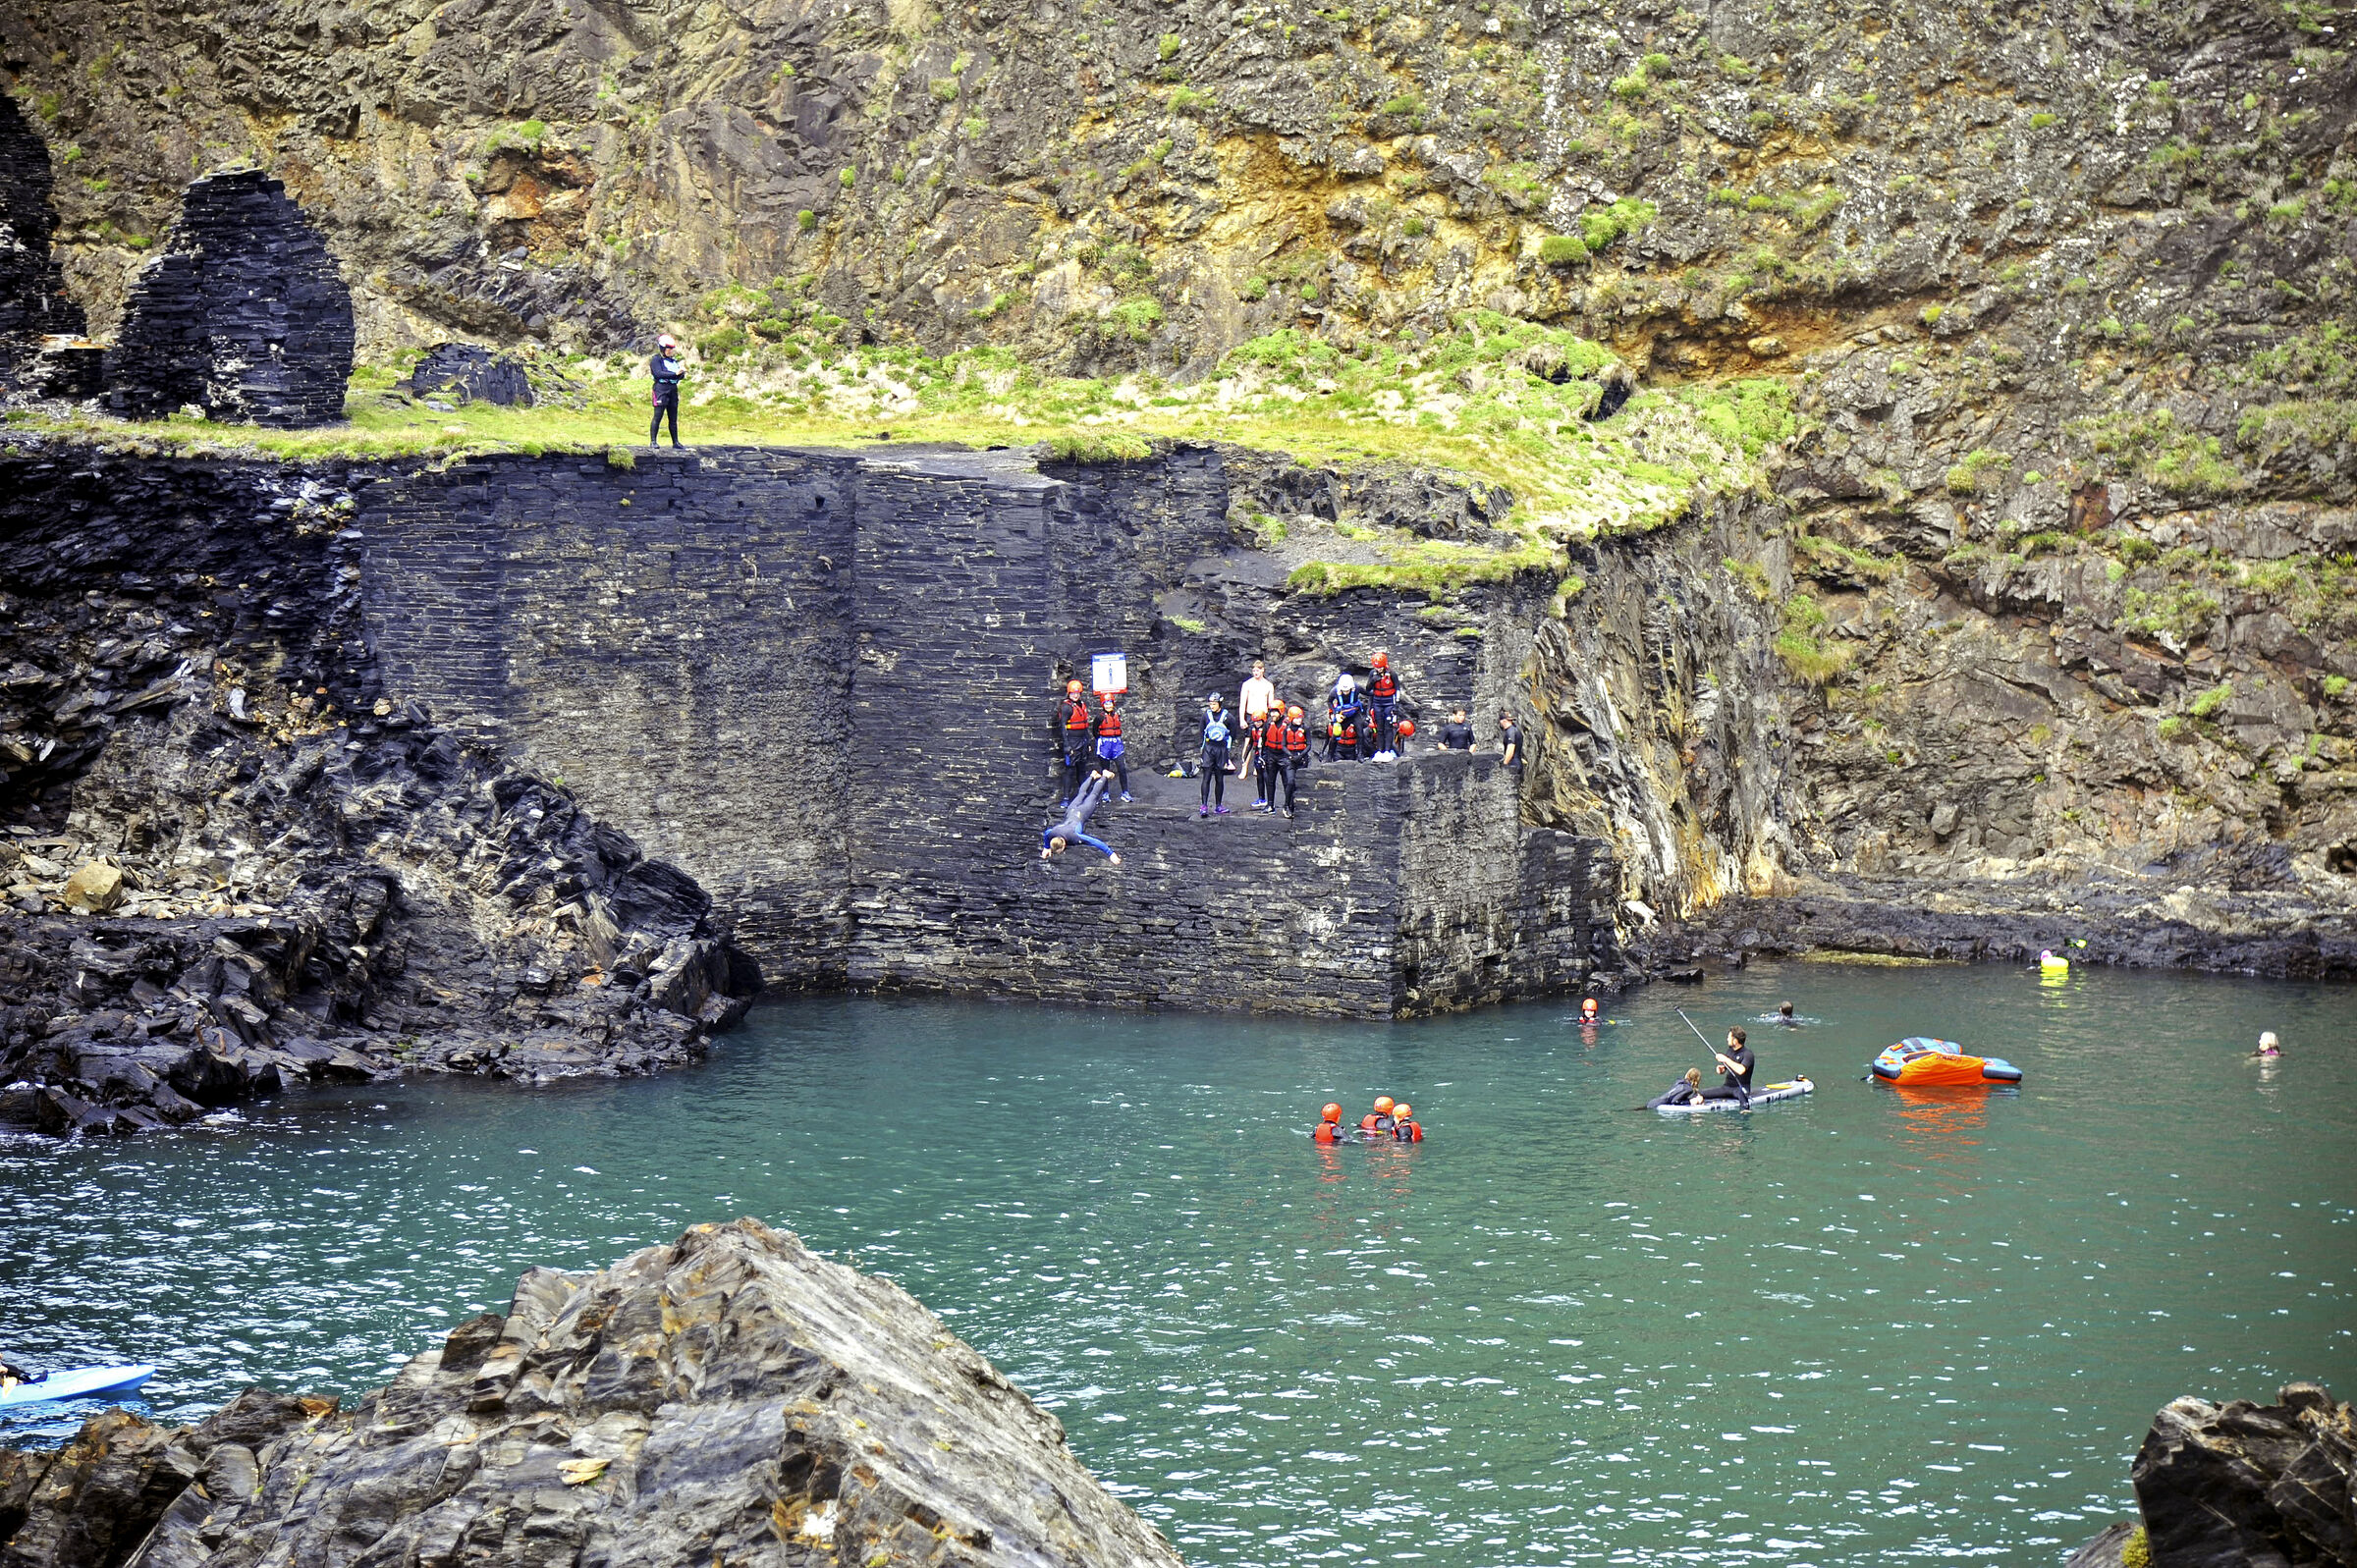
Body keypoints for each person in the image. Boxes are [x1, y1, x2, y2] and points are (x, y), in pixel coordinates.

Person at [1042, 773, 1122, 863]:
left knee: (1093, 795)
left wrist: (1110, 853)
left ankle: (1105, 775)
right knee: (1081, 794)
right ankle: (1092, 776)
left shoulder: (1074, 837)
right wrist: (1046, 847)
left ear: (1063, 845)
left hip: (1082, 812)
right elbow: (1046, 833)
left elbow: (1094, 842)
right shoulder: (1052, 833)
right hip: (1071, 810)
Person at [1239, 661, 1277, 805]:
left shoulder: (1268, 685)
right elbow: (1243, 702)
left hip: (1264, 715)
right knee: (1249, 741)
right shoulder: (1247, 684)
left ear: (1263, 670)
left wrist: (1272, 719)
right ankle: (1244, 767)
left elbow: (1271, 704)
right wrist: (1242, 719)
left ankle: (1257, 767)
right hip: (1251, 714)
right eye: (1254, 670)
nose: (1255, 673)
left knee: (1263, 742)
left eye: (1258, 670)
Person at [1054, 677, 1095, 807]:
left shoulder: (1082, 705)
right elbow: (1063, 726)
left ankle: (1083, 795)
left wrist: (1087, 742)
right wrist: (1066, 744)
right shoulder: (1066, 707)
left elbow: (1085, 726)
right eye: (1073, 693)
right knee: (1070, 770)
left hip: (1082, 740)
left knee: (1082, 770)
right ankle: (1066, 798)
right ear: (1069, 693)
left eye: (1077, 693)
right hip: (1072, 741)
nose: (1075, 695)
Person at [1198, 693, 1235, 818]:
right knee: (1206, 776)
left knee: (1219, 777)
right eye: (1210, 704)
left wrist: (1226, 747)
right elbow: (1201, 732)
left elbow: (1233, 734)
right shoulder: (1206, 716)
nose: (1212, 706)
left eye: (1214, 704)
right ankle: (1204, 805)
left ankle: (1218, 806)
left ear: (1220, 703)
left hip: (1221, 749)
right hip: (1209, 748)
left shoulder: (1228, 717)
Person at [648, 334, 685, 448]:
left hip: (672, 389)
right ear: (663, 349)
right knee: (658, 416)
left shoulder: (673, 361)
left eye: (671, 349)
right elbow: (658, 373)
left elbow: (678, 376)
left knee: (673, 417)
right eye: (668, 349)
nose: (670, 351)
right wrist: (675, 374)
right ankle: (653, 441)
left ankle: (675, 442)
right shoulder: (656, 360)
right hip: (661, 389)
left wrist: (680, 374)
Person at [1094, 692, 1132, 800]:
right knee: (1105, 770)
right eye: (1106, 703)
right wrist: (1101, 741)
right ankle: (1105, 793)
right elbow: (1095, 731)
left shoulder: (1117, 715)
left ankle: (1125, 793)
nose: (1108, 706)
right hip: (1105, 744)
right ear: (1102, 705)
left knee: (1122, 768)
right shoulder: (1099, 717)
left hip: (1116, 744)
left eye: (1110, 703)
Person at [1276, 703, 1310, 816]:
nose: (1299, 720)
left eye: (1300, 718)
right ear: (1291, 718)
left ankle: (1296, 806)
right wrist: (1290, 756)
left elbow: (1309, 745)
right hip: (1290, 759)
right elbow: (1283, 745)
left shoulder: (1305, 728)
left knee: (1300, 784)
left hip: (1302, 758)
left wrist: (1301, 755)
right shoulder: (1286, 730)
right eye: (1296, 718)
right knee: (1290, 782)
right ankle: (1287, 805)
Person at [1368, 651, 1402, 760]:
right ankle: (1379, 751)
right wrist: (1373, 681)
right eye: (1376, 667)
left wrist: (1396, 705)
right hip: (1377, 702)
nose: (1378, 669)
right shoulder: (1373, 673)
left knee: (1388, 727)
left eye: (1380, 667)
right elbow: (1367, 689)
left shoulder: (1392, 673)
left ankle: (1387, 751)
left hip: (1389, 702)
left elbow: (1397, 689)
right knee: (1379, 728)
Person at [1712, 1027, 1754, 1108]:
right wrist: (1722, 1069)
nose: (1727, 1039)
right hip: (1727, 1087)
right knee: (1702, 1093)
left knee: (1743, 1099)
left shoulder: (1748, 1054)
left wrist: (1725, 1059)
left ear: (1735, 1040)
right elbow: (1728, 1067)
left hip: (1741, 1089)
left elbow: (1741, 1070)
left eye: (1729, 1037)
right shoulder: (1730, 1051)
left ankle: (1745, 1111)